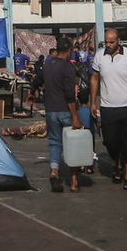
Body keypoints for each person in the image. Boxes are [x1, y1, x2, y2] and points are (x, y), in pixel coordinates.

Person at [89, 28, 127, 191]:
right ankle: (118, 160)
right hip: (108, 107)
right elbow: (94, 78)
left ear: (118, 41)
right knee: (110, 141)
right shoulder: (99, 56)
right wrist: (93, 102)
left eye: (111, 42)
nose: (108, 45)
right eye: (106, 42)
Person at [42, 39, 84, 192]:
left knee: (54, 142)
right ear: (69, 51)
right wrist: (75, 116)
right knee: (71, 144)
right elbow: (69, 95)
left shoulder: (47, 65)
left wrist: (32, 93)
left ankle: (54, 171)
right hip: (65, 110)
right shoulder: (68, 68)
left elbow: (38, 81)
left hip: (50, 110)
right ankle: (73, 180)